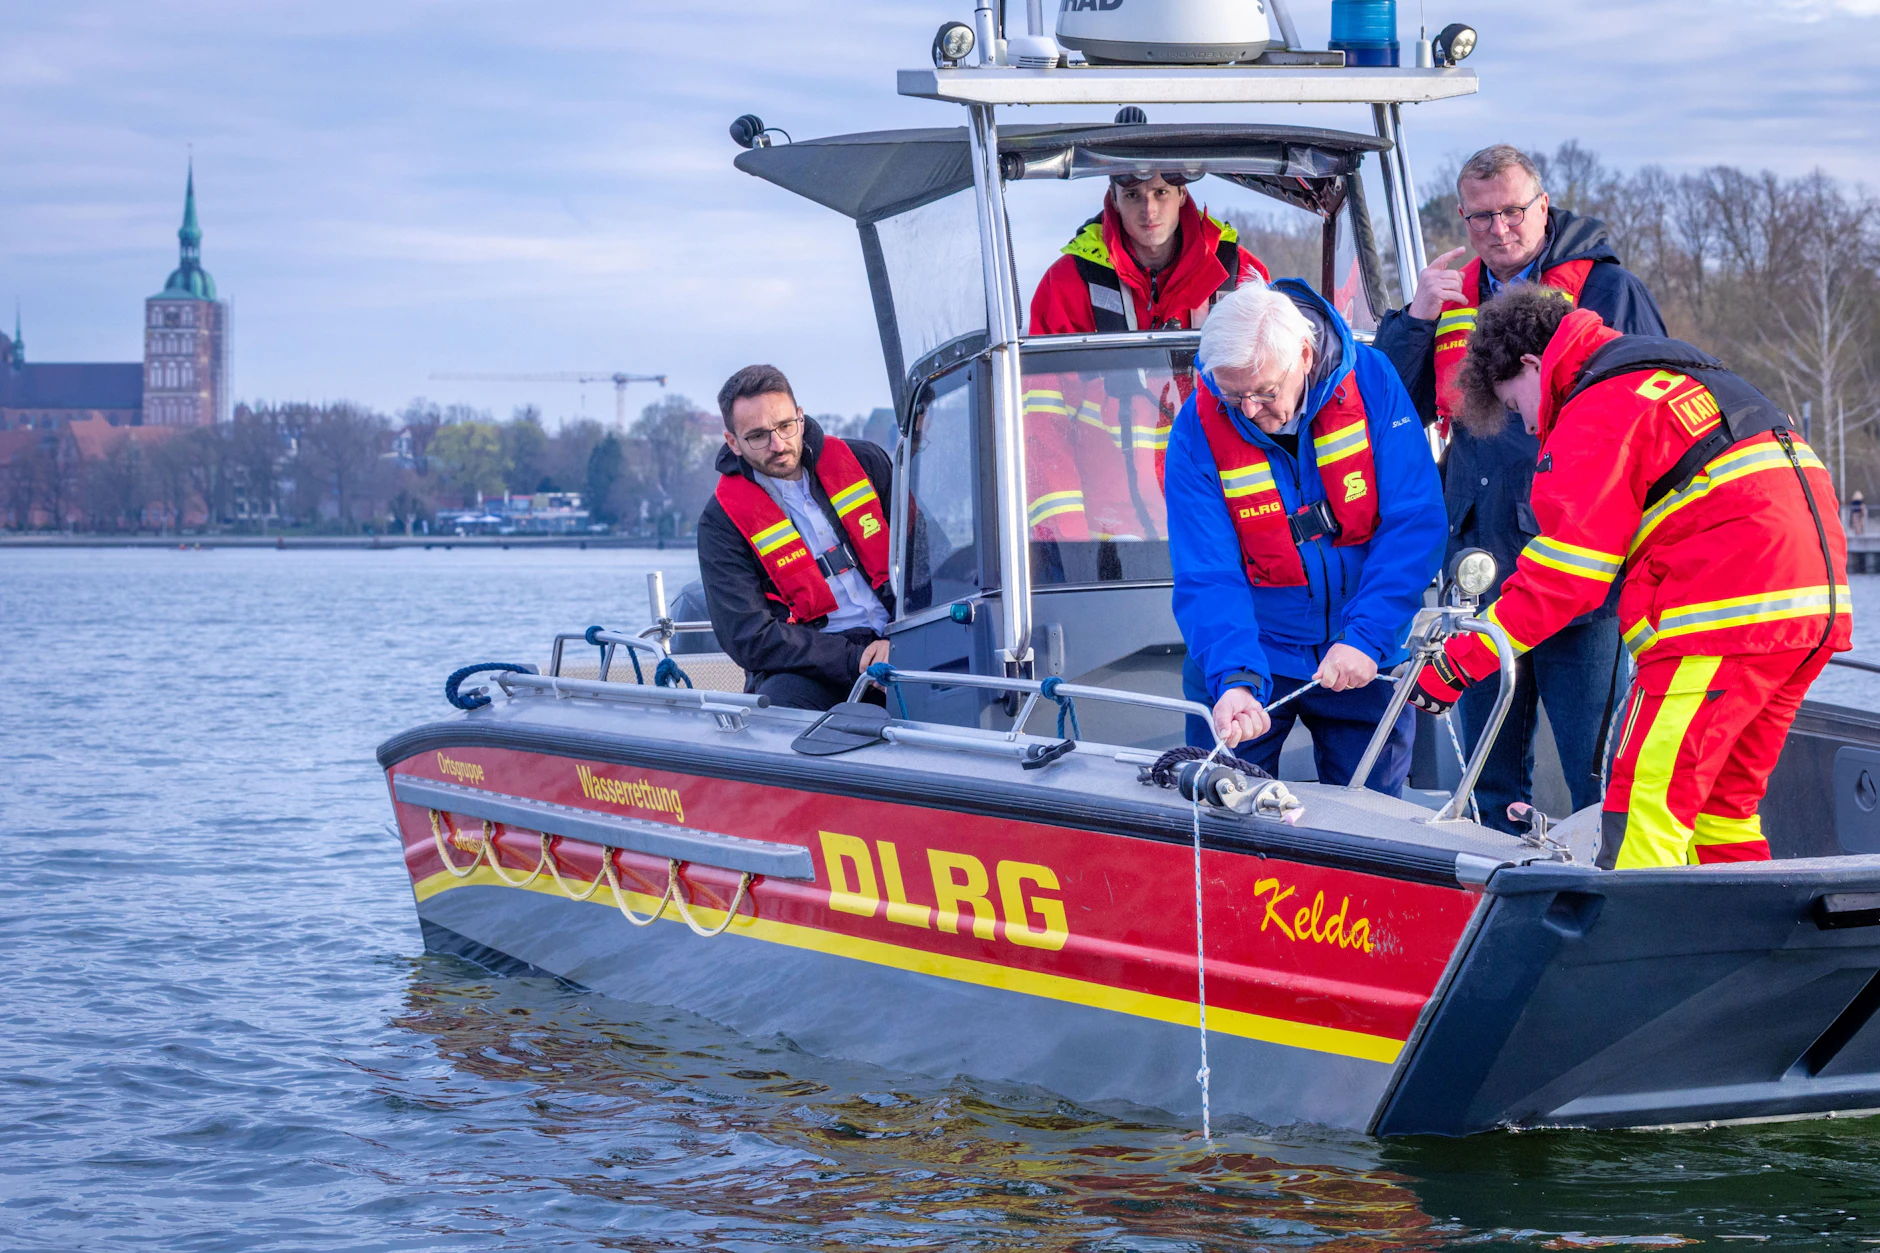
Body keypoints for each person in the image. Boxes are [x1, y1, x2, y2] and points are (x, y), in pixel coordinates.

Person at [1410, 286, 1851, 868]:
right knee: (1723, 812)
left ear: (1532, 364)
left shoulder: (1597, 406)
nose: (1528, 423)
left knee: (1642, 814)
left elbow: (1568, 576)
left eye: (1516, 406)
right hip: (1811, 610)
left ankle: (1637, 956)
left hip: (1720, 618)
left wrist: (1461, 660)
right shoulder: (1669, 372)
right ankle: (1741, 951)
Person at [1372, 143, 1668, 835]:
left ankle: (1610, 892)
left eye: (1513, 211)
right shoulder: (1447, 296)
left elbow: (1648, 412)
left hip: (1578, 570)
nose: (1499, 228)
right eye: (1482, 217)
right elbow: (1385, 407)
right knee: (1487, 774)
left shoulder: (1607, 290)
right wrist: (1413, 322)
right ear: (1461, 217)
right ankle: (1498, 896)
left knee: (1596, 767)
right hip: (1480, 565)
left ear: (1543, 207)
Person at [1167, 281, 1446, 795]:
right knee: (1225, 819)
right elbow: (1206, 572)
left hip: (1362, 658)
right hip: (1253, 657)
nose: (1248, 411)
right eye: (1233, 396)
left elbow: (1413, 521)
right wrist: (1233, 680)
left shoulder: (1373, 382)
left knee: (1371, 829)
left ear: (1304, 353)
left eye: (1264, 392)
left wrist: (1367, 637)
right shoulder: (1195, 430)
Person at [1024, 171, 1272, 545]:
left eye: (1160, 192)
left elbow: (1274, 408)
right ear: (1112, 195)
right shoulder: (1065, 287)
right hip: (1107, 551)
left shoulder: (1240, 279)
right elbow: (1042, 427)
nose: (1149, 209)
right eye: (1133, 195)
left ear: (1183, 193)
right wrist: (1068, 545)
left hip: (1223, 533)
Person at [698, 364, 894, 711]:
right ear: (733, 442)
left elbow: (929, 561)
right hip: (814, 666)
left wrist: (901, 637)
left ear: (800, 418)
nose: (778, 444)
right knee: (778, 710)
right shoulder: (721, 522)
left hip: (901, 637)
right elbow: (748, 636)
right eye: (758, 436)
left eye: (786, 426)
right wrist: (855, 658)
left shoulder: (866, 463)